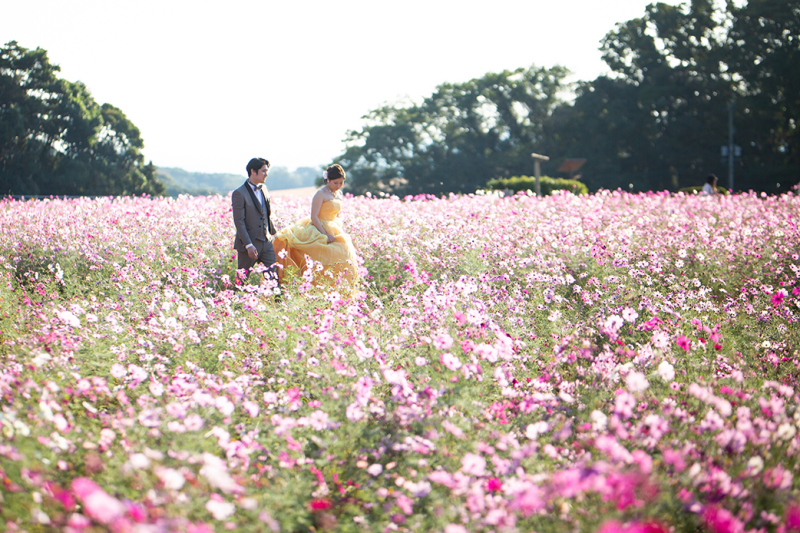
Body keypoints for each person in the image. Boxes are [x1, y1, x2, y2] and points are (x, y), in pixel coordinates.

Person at [273, 164, 359, 287]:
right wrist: (325, 234)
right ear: (328, 180)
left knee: (343, 254)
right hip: (319, 227)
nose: (338, 186)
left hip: (334, 226)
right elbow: (314, 216)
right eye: (335, 183)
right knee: (321, 256)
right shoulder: (320, 194)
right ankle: (318, 286)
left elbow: (337, 214)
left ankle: (340, 287)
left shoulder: (338, 193)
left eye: (341, 183)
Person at [231, 157, 278, 285]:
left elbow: (266, 215)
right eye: (263, 171)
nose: (266, 174)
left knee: (273, 277)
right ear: (253, 171)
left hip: (266, 242)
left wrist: (275, 234)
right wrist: (248, 245)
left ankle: (277, 303)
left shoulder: (265, 189)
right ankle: (235, 303)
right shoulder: (239, 193)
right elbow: (239, 221)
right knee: (241, 280)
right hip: (249, 245)